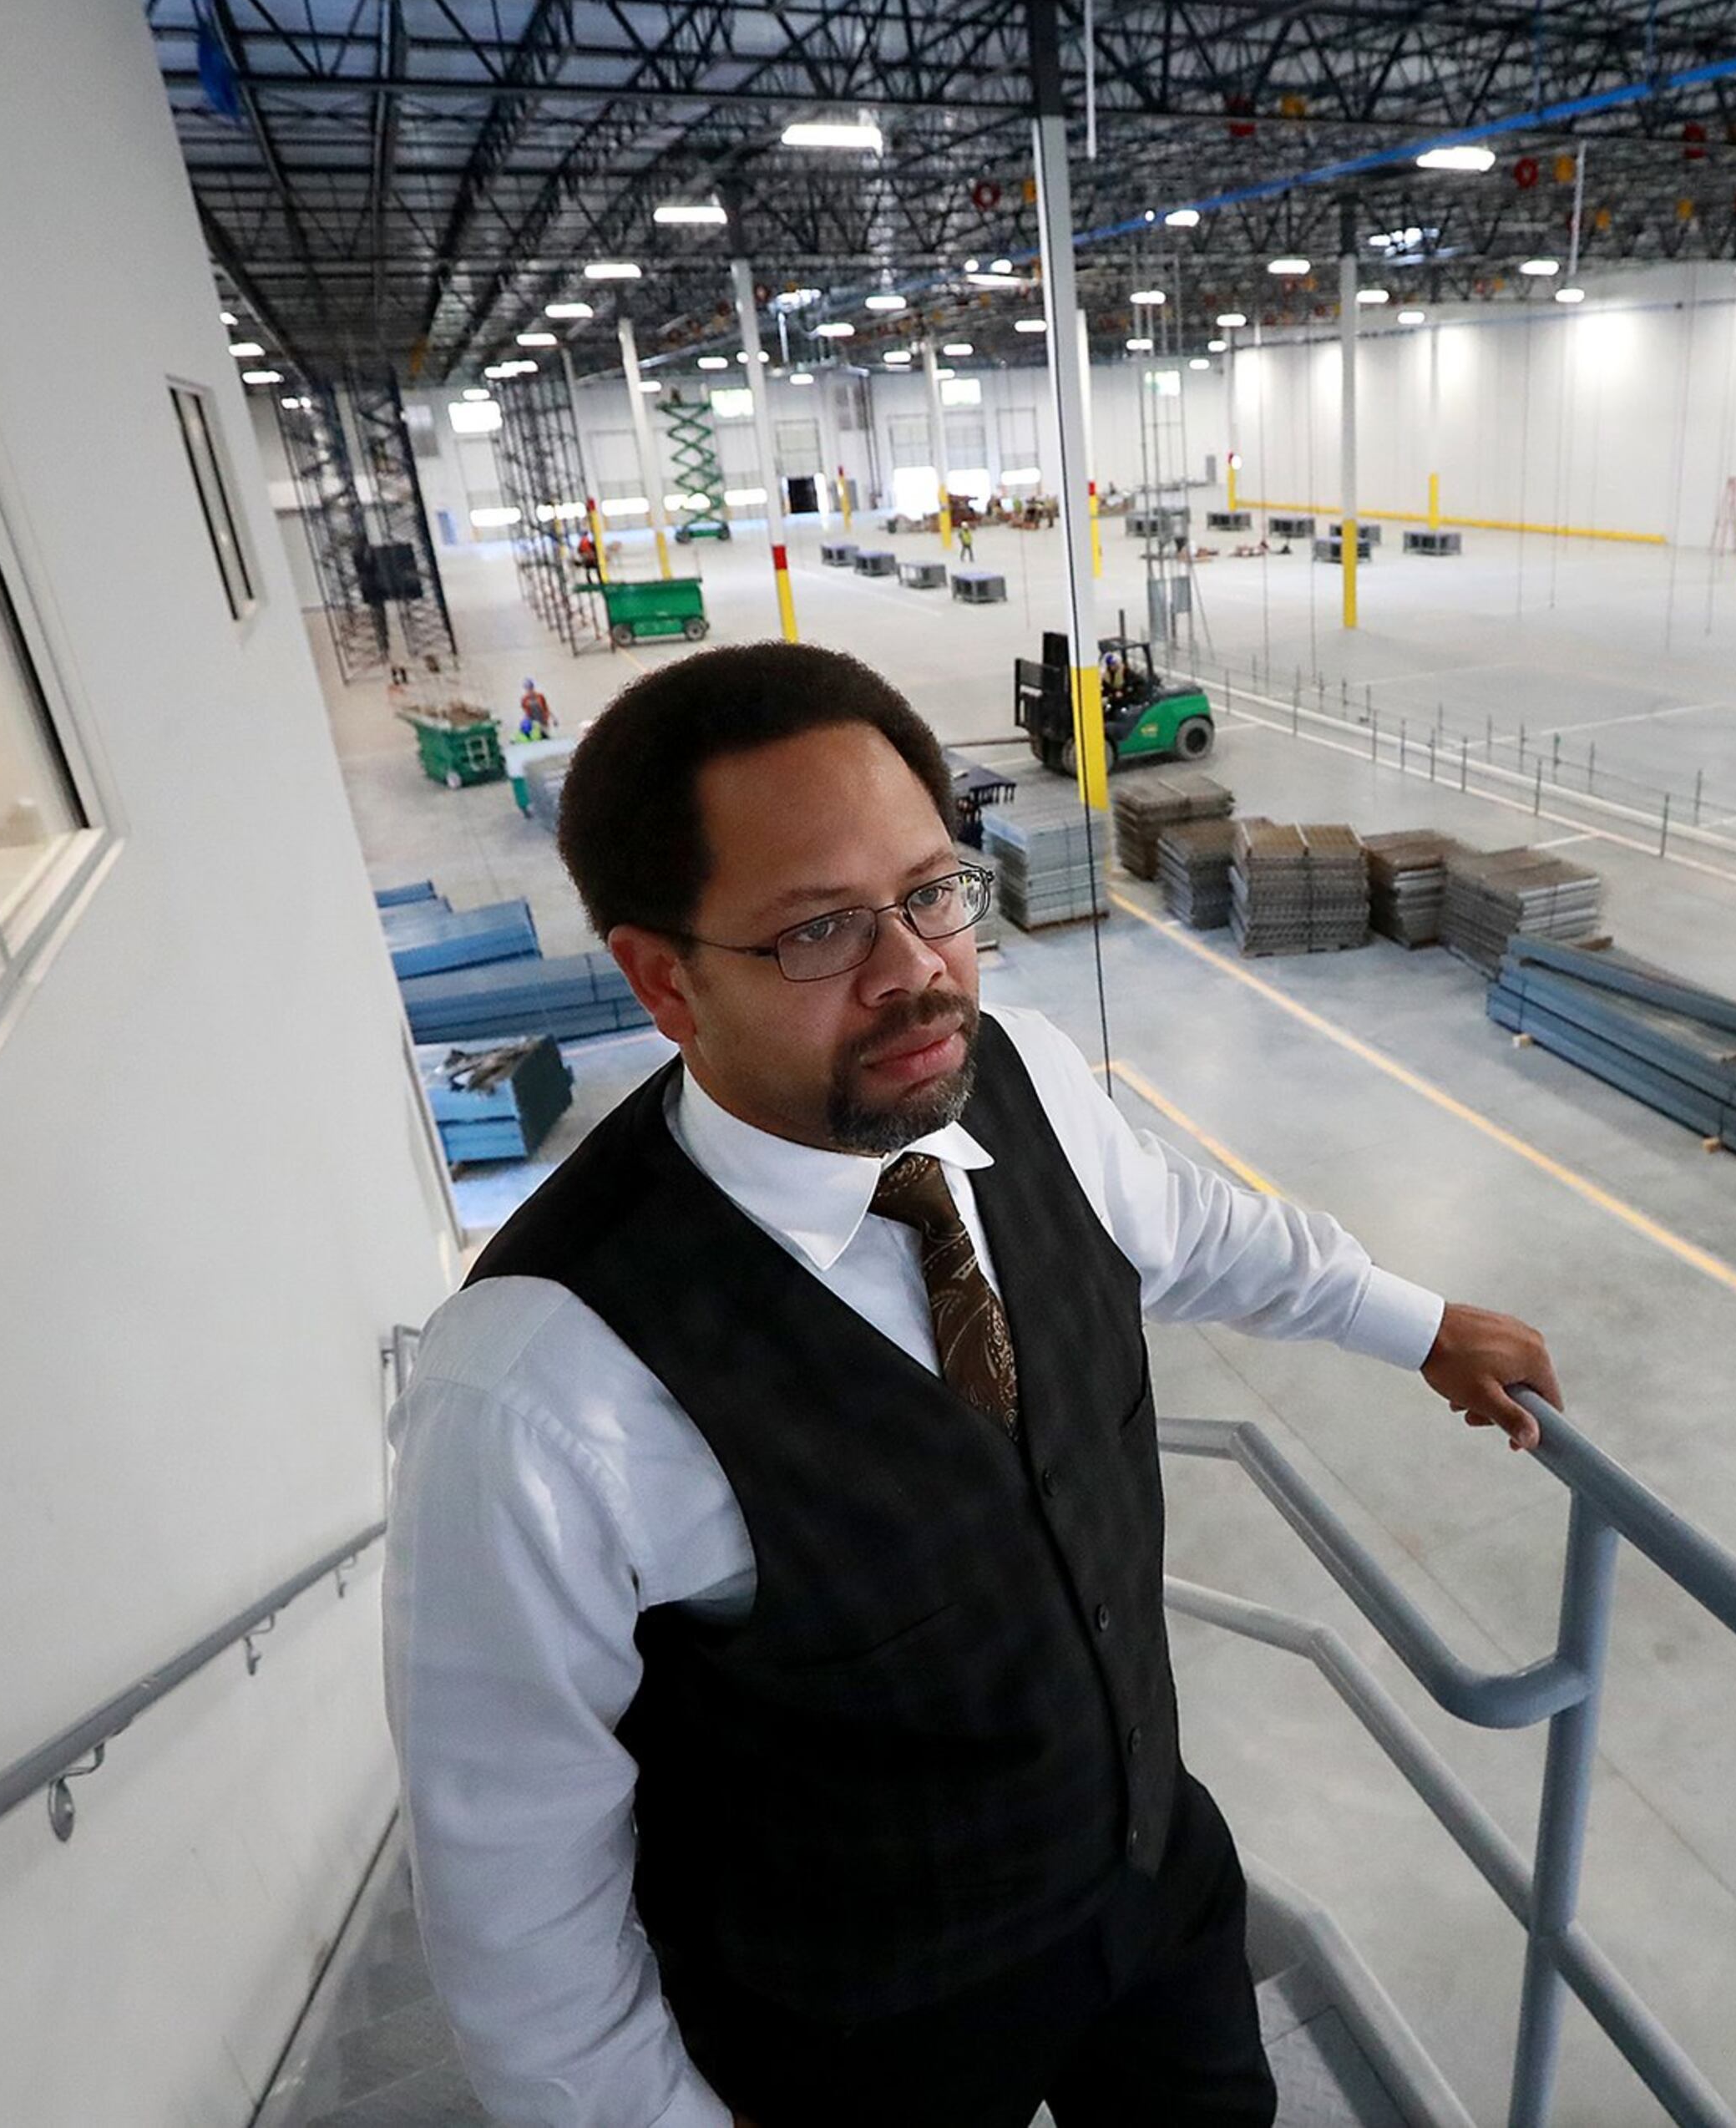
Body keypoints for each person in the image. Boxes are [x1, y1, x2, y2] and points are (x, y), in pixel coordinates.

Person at [386, 642, 1560, 2128]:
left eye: (934, 893)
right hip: (859, 2040)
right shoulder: (540, 1389)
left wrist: (1415, 1319)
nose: (916, 972)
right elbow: (517, 1895)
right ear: (663, 978)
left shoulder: (1028, 1074)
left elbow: (1188, 1232)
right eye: (819, 931)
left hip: (1148, 1890)